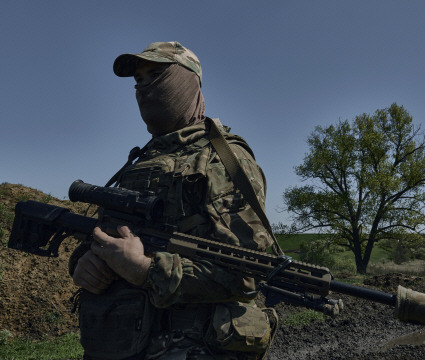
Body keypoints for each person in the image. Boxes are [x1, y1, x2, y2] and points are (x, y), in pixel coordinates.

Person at [69, 41, 276, 360]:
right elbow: (104, 236)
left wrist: (146, 270)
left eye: (156, 74)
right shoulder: (139, 164)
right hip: (120, 343)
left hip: (194, 346)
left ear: (186, 81)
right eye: (138, 80)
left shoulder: (222, 160)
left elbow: (248, 273)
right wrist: (85, 263)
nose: (144, 87)